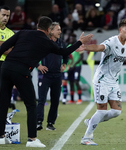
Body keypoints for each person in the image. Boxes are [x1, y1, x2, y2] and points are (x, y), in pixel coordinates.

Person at [0, 16, 92, 147]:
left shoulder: (23, 32)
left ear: (37, 25)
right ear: (49, 29)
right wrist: (79, 42)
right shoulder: (46, 42)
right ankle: (32, 139)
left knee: (3, 102)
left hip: (5, 68)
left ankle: (1, 137)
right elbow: (64, 51)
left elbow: (4, 46)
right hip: (21, 71)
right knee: (31, 105)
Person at [79, 19, 126, 145]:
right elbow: (99, 47)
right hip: (102, 80)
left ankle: (91, 121)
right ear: (120, 30)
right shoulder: (112, 41)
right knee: (102, 110)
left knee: (116, 111)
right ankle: (86, 138)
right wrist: (85, 47)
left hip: (114, 82)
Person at [36, 22, 68, 131]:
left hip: (57, 76)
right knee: (41, 99)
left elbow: (66, 54)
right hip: (45, 75)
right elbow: (33, 53)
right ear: (51, 31)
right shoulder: (44, 42)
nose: (60, 31)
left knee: (55, 100)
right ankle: (38, 122)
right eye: (58, 29)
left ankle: (50, 123)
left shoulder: (61, 43)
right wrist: (38, 65)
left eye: (60, 29)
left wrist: (64, 64)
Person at [0, 5, 16, 109]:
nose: (5, 18)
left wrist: (2, 45)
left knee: (5, 94)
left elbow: (14, 51)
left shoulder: (11, 33)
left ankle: (3, 119)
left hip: (6, 65)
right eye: (3, 15)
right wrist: (6, 46)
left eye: (8, 15)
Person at [66, 33, 83, 104]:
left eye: (72, 38)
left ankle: (79, 99)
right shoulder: (69, 46)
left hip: (77, 66)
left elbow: (81, 57)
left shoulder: (78, 46)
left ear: (75, 39)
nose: (70, 39)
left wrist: (74, 64)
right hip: (71, 67)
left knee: (76, 81)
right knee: (71, 82)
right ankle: (72, 99)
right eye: (70, 38)